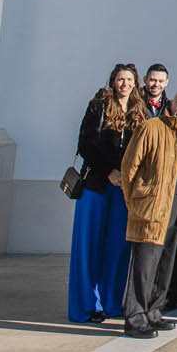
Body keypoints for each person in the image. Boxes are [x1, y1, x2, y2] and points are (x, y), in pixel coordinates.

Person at [120, 89, 177, 338]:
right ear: (170, 104)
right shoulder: (151, 127)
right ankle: (135, 317)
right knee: (144, 266)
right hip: (153, 208)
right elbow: (129, 167)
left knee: (165, 264)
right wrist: (135, 203)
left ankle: (153, 310)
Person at [68, 63, 142, 324]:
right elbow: (85, 144)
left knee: (117, 247)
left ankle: (112, 303)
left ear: (135, 83)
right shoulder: (99, 105)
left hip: (123, 188)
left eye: (129, 79)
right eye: (120, 79)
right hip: (97, 185)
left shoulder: (138, 109)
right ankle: (86, 306)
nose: (124, 84)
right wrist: (109, 170)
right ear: (113, 81)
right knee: (89, 247)